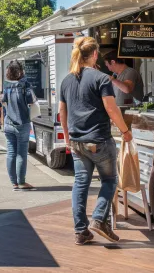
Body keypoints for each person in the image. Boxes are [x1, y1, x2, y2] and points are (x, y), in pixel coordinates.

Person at [59, 37, 133, 245]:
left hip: (76, 142)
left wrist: (66, 137)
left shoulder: (66, 80)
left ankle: (81, 231)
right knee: (109, 181)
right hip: (99, 139)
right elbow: (111, 109)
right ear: (94, 55)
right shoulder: (101, 78)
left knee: (80, 184)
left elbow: (62, 112)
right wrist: (125, 131)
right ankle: (99, 219)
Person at [2, 61, 35, 191]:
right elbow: (31, 100)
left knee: (11, 153)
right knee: (21, 154)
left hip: (8, 122)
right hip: (22, 122)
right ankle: (21, 182)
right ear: (20, 71)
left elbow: (3, 101)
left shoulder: (6, 85)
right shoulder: (25, 84)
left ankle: (14, 183)